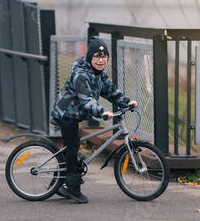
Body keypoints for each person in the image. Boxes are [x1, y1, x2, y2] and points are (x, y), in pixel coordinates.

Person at [50, 37, 138, 203]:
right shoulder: (80, 75)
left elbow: (110, 91)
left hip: (75, 113)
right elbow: (86, 99)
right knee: (73, 146)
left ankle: (59, 184)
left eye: (104, 56)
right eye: (97, 56)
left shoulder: (99, 74)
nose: (101, 60)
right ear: (90, 57)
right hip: (66, 114)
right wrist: (101, 112)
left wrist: (126, 101)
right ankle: (73, 189)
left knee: (71, 149)